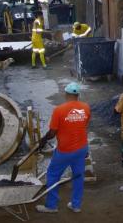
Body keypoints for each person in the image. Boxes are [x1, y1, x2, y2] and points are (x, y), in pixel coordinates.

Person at [36, 82, 91, 214]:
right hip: (82, 148)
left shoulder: (59, 110)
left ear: (66, 94)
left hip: (65, 151)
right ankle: (76, 205)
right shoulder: (86, 107)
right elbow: (84, 125)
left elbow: (52, 133)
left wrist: (43, 140)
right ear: (78, 95)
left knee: (52, 175)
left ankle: (51, 205)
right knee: (78, 176)